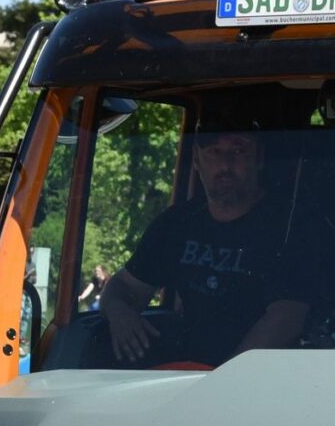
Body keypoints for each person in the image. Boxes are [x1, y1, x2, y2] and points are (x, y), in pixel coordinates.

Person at [59, 118, 315, 368]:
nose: (225, 164)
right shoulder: (177, 224)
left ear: (258, 159)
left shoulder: (289, 228)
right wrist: (119, 313)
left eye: (239, 151)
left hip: (261, 379)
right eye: (214, 152)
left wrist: (226, 381)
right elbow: (125, 285)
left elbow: (286, 318)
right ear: (196, 160)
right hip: (183, 371)